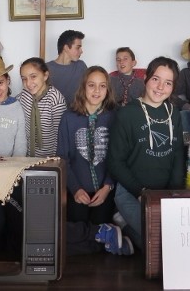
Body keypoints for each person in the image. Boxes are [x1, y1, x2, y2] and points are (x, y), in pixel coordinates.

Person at [107, 56, 186, 250]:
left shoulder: (174, 113)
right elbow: (115, 162)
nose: (160, 87)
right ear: (145, 79)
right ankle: (125, 219)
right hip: (131, 192)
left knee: (174, 243)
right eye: (156, 79)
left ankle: (124, 224)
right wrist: (140, 193)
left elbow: (177, 155)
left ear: (173, 87)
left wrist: (173, 194)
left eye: (168, 83)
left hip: (163, 193)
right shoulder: (127, 113)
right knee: (158, 244)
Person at [58, 66, 133, 256]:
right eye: (91, 85)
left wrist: (107, 186)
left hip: (104, 190)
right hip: (77, 190)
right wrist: (75, 189)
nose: (97, 91)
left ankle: (107, 237)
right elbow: (63, 158)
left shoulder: (115, 116)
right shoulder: (68, 118)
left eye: (102, 86)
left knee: (92, 234)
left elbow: (119, 156)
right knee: (70, 234)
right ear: (83, 87)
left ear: (108, 90)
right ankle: (113, 240)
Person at [18, 58, 67, 158]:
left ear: (45, 75)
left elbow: (61, 136)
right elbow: (8, 103)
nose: (28, 83)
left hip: (50, 158)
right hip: (26, 158)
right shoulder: (24, 95)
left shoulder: (56, 100)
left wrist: (55, 160)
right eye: (24, 79)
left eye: (33, 76)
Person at [47, 30, 87, 106]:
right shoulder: (46, 68)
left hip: (76, 111)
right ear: (66, 47)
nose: (81, 51)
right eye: (78, 48)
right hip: (53, 112)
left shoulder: (81, 66)